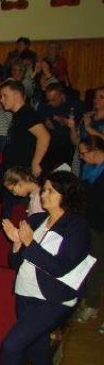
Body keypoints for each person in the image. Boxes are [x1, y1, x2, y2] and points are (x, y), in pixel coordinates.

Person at [0, 172, 93, 365]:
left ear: (67, 195)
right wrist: (17, 246)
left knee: (12, 344)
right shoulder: (37, 220)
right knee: (39, 355)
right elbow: (16, 264)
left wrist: (28, 243)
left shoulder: (76, 227)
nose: (44, 194)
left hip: (53, 300)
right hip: (25, 294)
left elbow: (61, 267)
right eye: (45, 190)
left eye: (51, 190)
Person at [0, 80, 51, 217]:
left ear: (17, 96)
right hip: (14, 173)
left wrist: (35, 163)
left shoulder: (27, 114)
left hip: (23, 176)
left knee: (17, 215)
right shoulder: (19, 115)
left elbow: (44, 136)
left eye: (5, 95)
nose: (1, 99)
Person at [75, 137, 103, 326]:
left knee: (96, 265)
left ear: (95, 151)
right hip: (89, 221)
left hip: (100, 224)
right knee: (85, 263)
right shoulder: (89, 169)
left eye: (84, 153)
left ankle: (92, 304)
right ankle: (84, 299)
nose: (82, 158)